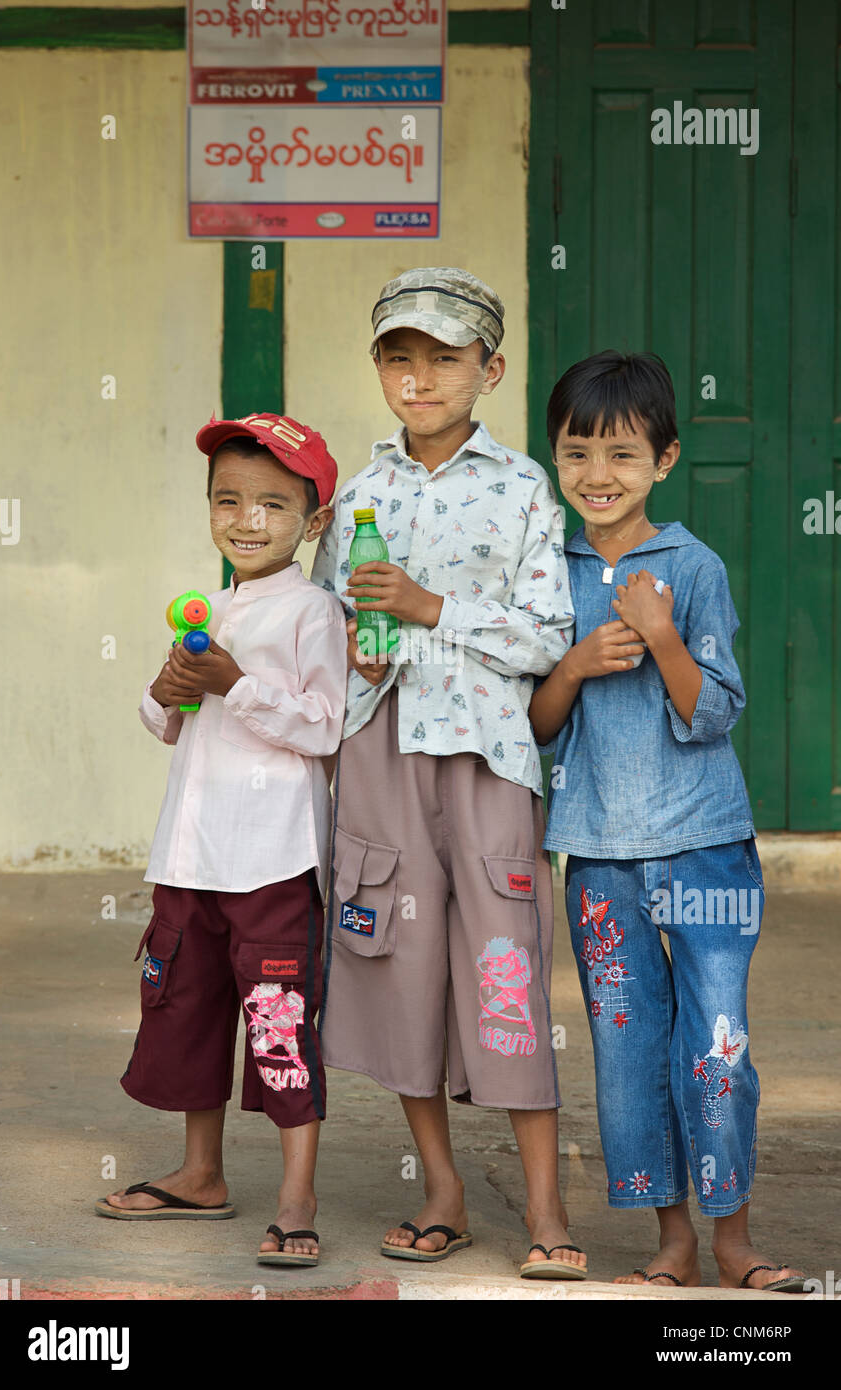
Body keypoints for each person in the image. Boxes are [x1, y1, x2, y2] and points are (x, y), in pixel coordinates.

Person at [311, 267, 585, 1279]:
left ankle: (548, 1210)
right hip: (379, 750)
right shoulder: (359, 495)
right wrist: (362, 647)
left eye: (441, 356)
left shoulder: (519, 488)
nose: (416, 376)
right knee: (397, 967)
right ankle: (441, 1189)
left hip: (482, 755)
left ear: (489, 368)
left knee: (502, 971)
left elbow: (547, 633)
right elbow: (331, 625)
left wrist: (431, 611)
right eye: (397, 355)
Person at [529, 349, 805, 1292]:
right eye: (575, 454)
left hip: (703, 850)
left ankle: (734, 1240)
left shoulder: (691, 567)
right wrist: (569, 665)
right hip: (599, 857)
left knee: (714, 1045)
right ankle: (672, 1239)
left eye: (620, 455)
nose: (596, 477)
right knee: (625, 1051)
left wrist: (659, 635)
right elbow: (530, 725)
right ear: (555, 460)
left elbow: (714, 711)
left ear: (665, 461)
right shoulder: (546, 571)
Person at [95, 412, 347, 1268]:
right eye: (228, 500)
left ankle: (296, 1195)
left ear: (312, 523)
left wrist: (235, 683)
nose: (247, 520)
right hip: (191, 855)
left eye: (273, 505)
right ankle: (202, 1174)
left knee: (278, 1024)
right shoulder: (213, 608)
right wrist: (174, 684)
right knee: (188, 1012)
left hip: (275, 860)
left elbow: (326, 727)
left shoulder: (313, 611)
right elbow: (160, 720)